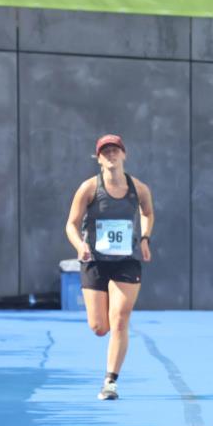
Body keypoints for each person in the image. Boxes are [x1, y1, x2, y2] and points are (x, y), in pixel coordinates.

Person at [65, 135, 154, 400]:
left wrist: (146, 238)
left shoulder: (139, 188)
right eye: (106, 152)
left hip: (126, 260)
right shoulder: (89, 188)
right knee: (99, 327)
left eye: (115, 151)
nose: (111, 155)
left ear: (124, 155)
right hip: (94, 261)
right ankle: (109, 370)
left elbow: (148, 213)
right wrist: (79, 245)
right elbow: (70, 223)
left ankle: (110, 381)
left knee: (120, 319)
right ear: (99, 158)